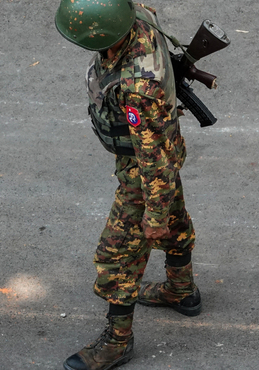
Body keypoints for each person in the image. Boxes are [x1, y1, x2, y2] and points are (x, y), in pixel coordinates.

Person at [54, 1, 202, 369]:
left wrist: (153, 214)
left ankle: (117, 341)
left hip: (145, 166)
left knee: (117, 255)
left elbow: (153, 160)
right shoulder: (136, 16)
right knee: (174, 214)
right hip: (163, 142)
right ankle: (182, 291)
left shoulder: (138, 88)